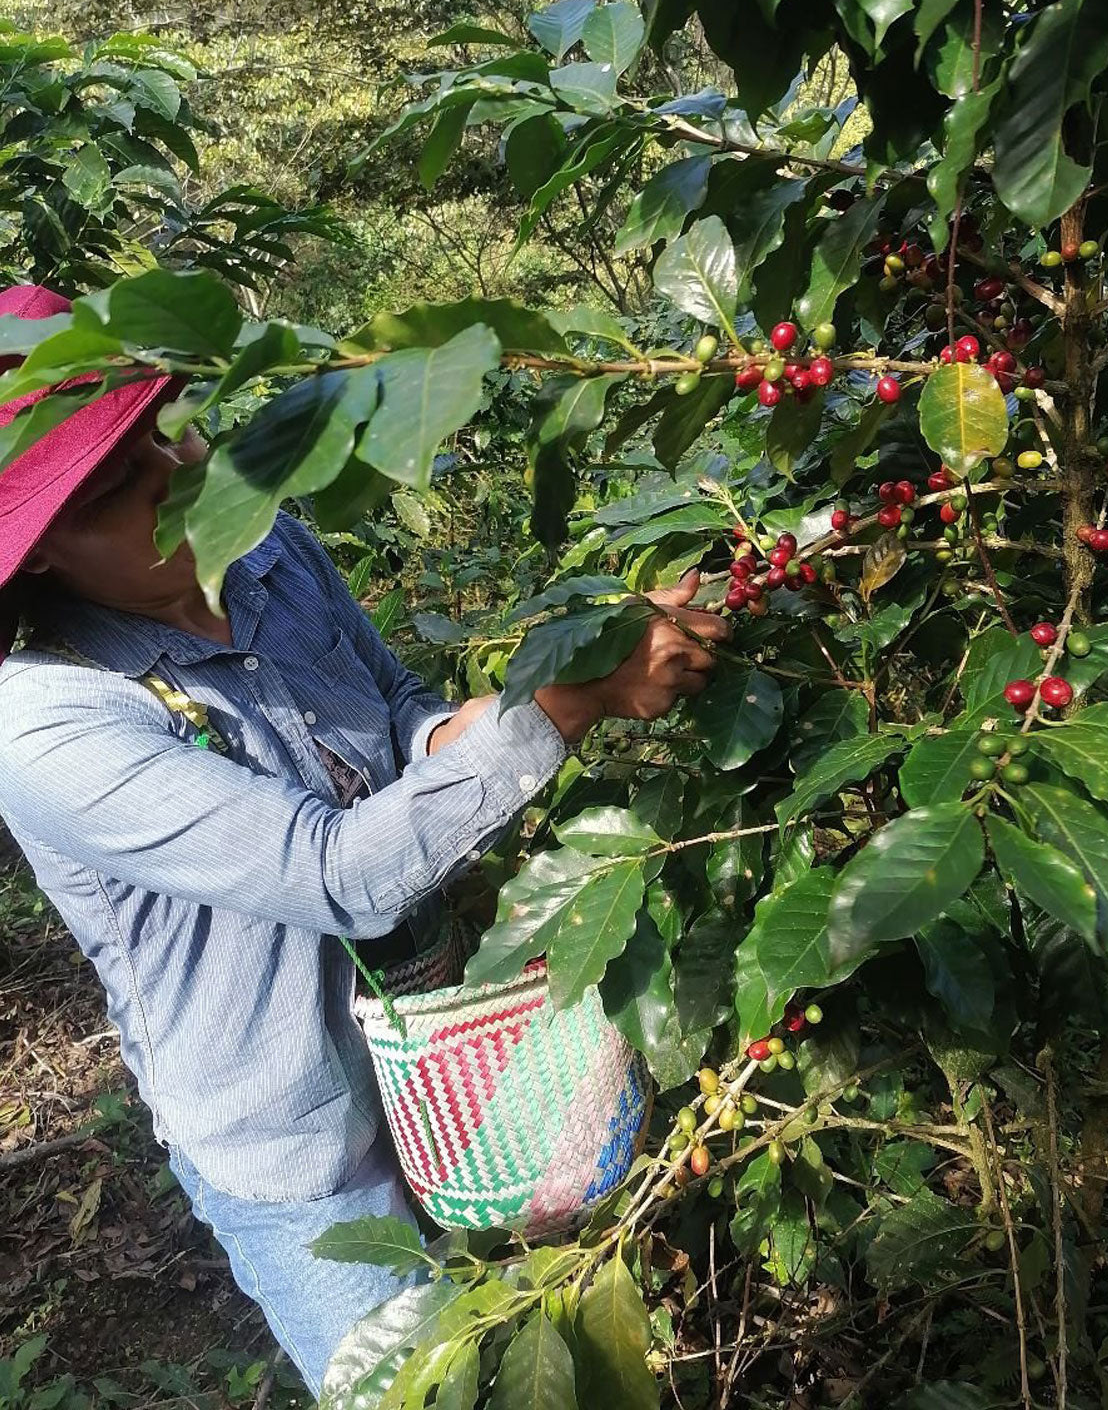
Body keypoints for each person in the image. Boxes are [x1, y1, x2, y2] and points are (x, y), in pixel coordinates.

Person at [0, 283, 729, 1394]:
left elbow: (397, 717)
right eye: (114, 490)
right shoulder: (49, 723)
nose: (179, 483)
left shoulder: (272, 551)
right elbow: (336, 871)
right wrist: (566, 708)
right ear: (39, 553)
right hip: (301, 1145)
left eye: (170, 431)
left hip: (456, 1050)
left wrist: (564, 669)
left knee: (534, 1344)